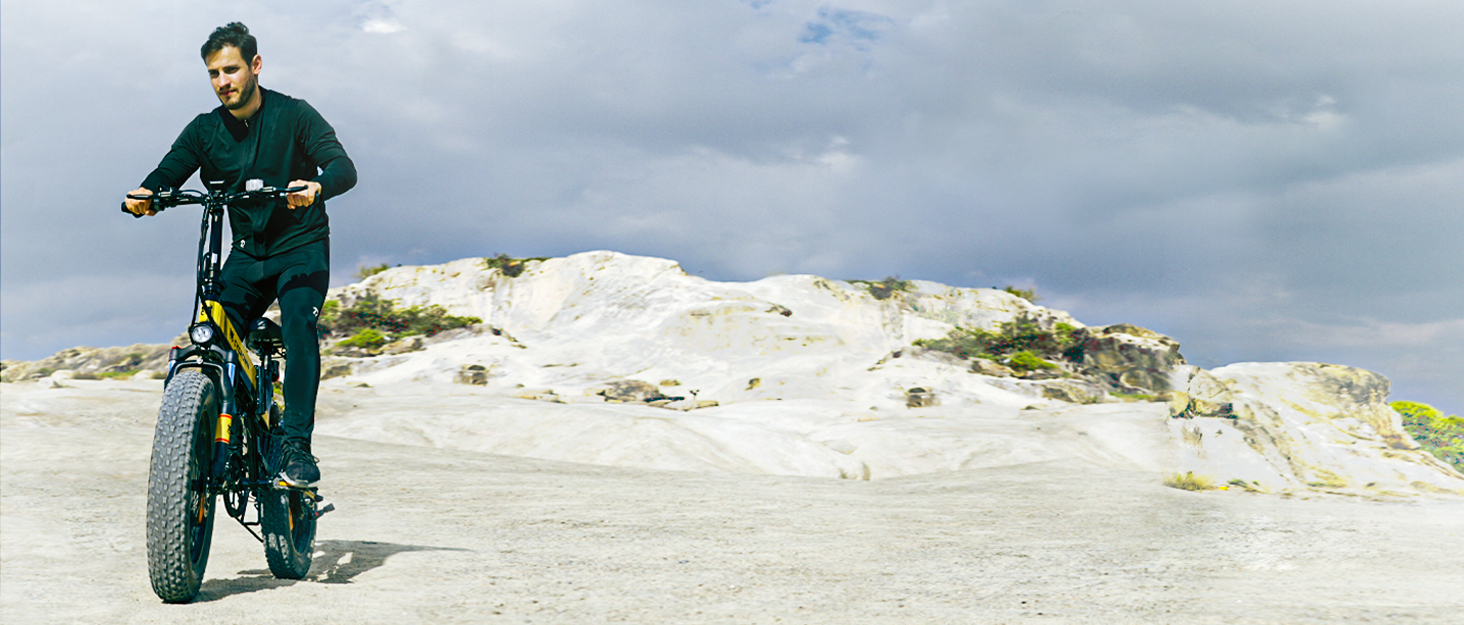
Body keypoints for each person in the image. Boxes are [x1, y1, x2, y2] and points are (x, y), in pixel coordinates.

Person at [124, 22, 356, 487]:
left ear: (255, 65)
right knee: (208, 334)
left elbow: (343, 168)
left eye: (230, 69)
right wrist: (148, 193)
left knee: (297, 324)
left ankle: (296, 448)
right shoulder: (205, 130)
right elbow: (170, 170)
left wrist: (317, 186)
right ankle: (210, 431)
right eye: (213, 73)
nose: (222, 81)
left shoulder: (294, 115)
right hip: (247, 255)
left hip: (300, 248)